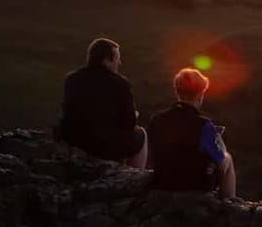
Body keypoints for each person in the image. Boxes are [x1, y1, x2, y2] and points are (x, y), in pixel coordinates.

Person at [58, 37, 147, 169]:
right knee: (141, 134)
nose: (120, 63)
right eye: (117, 58)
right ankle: (133, 176)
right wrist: (134, 115)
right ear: (106, 59)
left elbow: (68, 112)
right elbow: (129, 123)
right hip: (105, 146)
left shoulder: (72, 79)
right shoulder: (120, 84)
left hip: (76, 140)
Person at [147, 67, 236, 198]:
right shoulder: (203, 124)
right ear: (200, 95)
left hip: (162, 180)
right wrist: (220, 143)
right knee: (227, 158)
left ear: (177, 92)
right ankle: (229, 202)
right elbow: (218, 158)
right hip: (194, 185)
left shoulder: (157, 119)